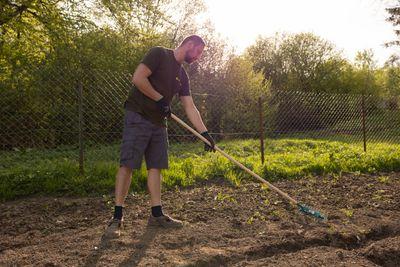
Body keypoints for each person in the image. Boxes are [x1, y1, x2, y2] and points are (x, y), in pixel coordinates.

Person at [105, 35, 215, 238]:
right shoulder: (159, 53)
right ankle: (117, 217)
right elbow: (138, 78)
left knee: (156, 166)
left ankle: (157, 214)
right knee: (128, 164)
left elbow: (189, 106)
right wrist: (159, 99)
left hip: (158, 122)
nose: (198, 57)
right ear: (189, 44)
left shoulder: (182, 76)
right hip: (138, 115)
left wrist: (204, 134)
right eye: (198, 51)